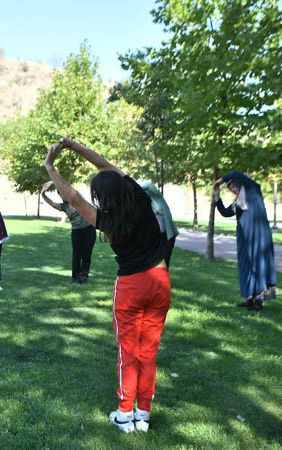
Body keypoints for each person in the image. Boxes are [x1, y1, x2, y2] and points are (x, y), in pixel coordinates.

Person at [44, 138, 171, 434]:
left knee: (129, 351)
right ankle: (143, 414)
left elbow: (73, 199)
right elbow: (103, 165)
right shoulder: (140, 197)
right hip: (160, 282)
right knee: (148, 351)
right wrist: (75, 146)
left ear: (103, 198)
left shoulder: (106, 220)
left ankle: (125, 414)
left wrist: (51, 166)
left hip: (131, 287)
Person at [213, 171, 277, 311]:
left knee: (258, 265)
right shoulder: (238, 201)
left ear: (241, 184)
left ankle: (259, 301)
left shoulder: (253, 191)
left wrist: (220, 181)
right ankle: (249, 297)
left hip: (258, 235)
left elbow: (236, 173)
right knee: (245, 265)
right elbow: (225, 212)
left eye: (234, 187)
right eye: (231, 189)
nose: (233, 190)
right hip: (244, 236)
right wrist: (217, 196)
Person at [41, 180, 96, 284]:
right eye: (60, 194)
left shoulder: (78, 200)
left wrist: (54, 181)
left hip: (89, 229)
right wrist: (43, 193)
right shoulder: (64, 206)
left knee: (86, 255)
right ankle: (75, 278)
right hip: (76, 232)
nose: (62, 196)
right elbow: (51, 203)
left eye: (63, 193)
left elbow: (73, 190)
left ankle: (84, 278)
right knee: (76, 255)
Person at [139, 181, 179, 268]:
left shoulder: (158, 203)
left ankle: (162, 281)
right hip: (158, 237)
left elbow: (148, 186)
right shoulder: (150, 204)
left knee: (163, 263)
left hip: (166, 236)